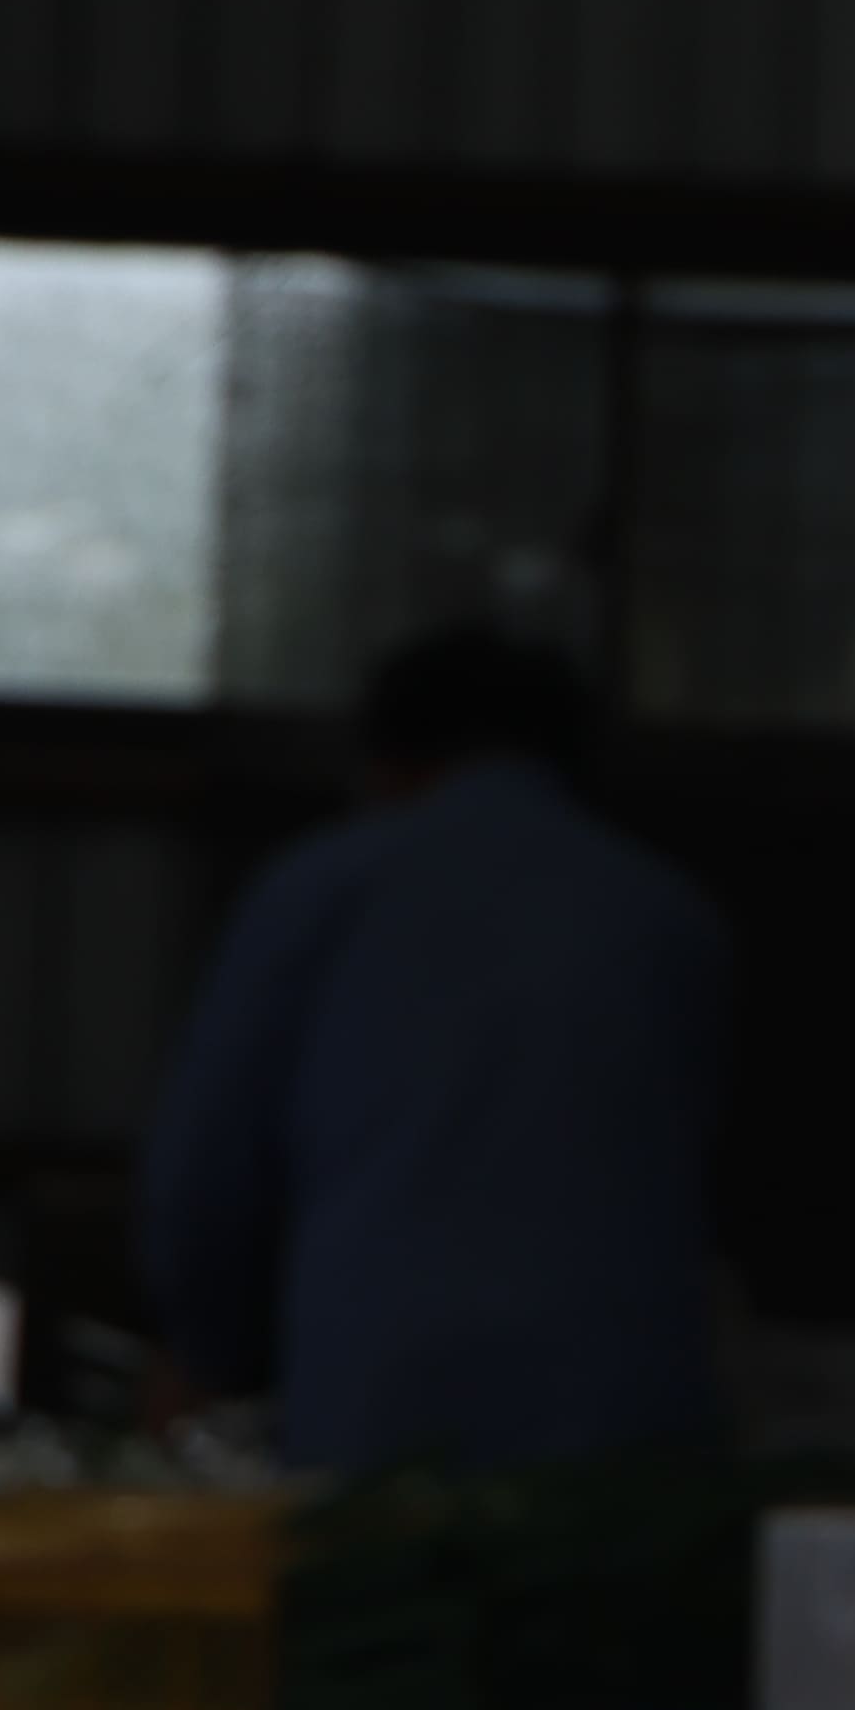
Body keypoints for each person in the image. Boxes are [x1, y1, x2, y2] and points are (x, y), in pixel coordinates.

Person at [138, 625, 731, 1471]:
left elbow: (211, 1168)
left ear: (386, 762)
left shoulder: (323, 891)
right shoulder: (668, 914)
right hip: (626, 1411)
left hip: (382, 1395)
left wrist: (205, 1350)